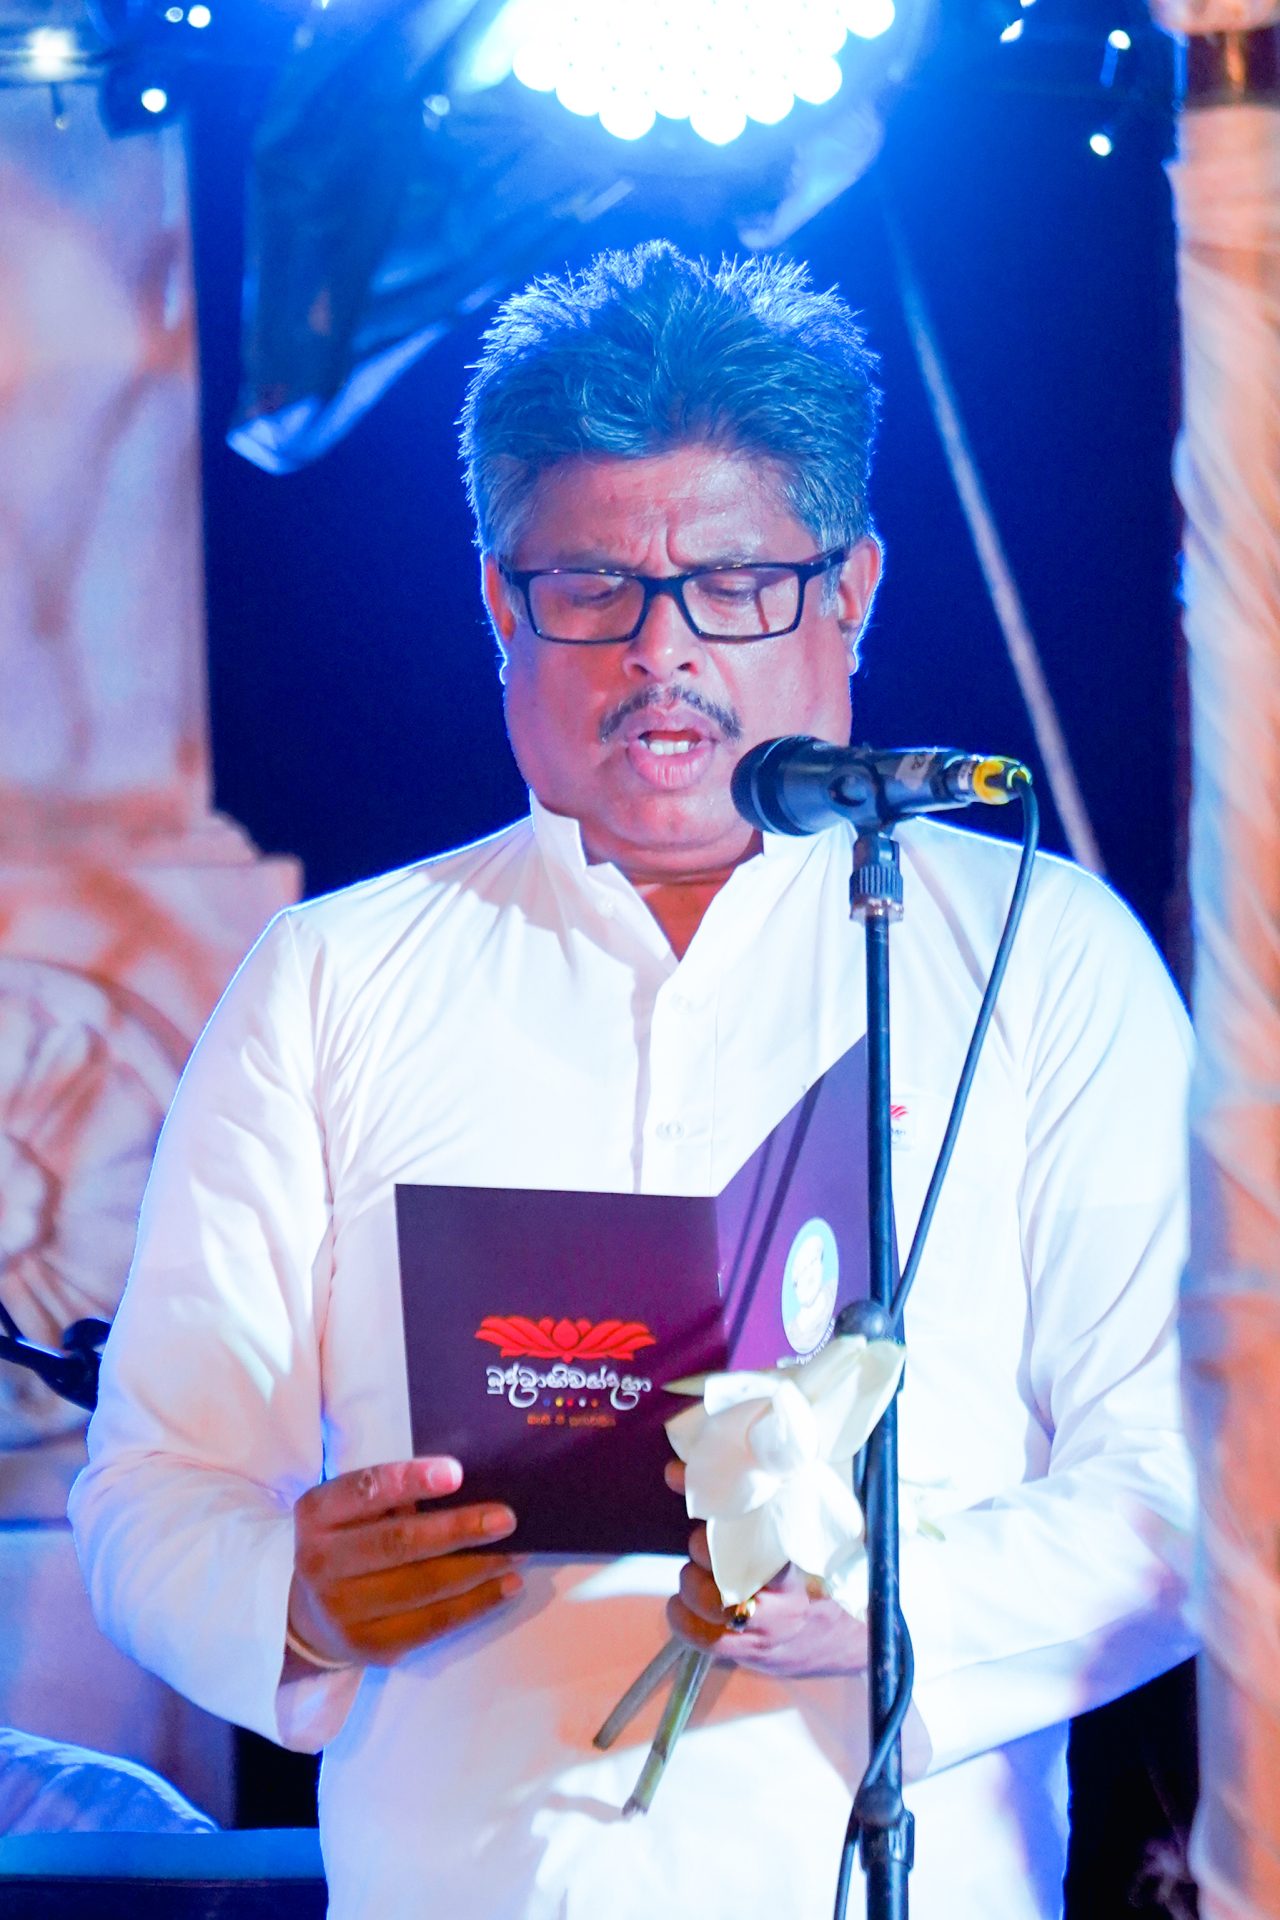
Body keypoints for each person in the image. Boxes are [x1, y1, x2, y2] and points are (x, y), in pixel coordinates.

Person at [69, 243, 1196, 1920]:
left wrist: (887, 1600)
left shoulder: (1034, 948)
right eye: (592, 589)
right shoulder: (337, 976)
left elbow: (1186, 1476)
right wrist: (294, 1600)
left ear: (855, 591)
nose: (664, 653)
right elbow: (150, 1493)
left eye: (734, 582)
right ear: (497, 603)